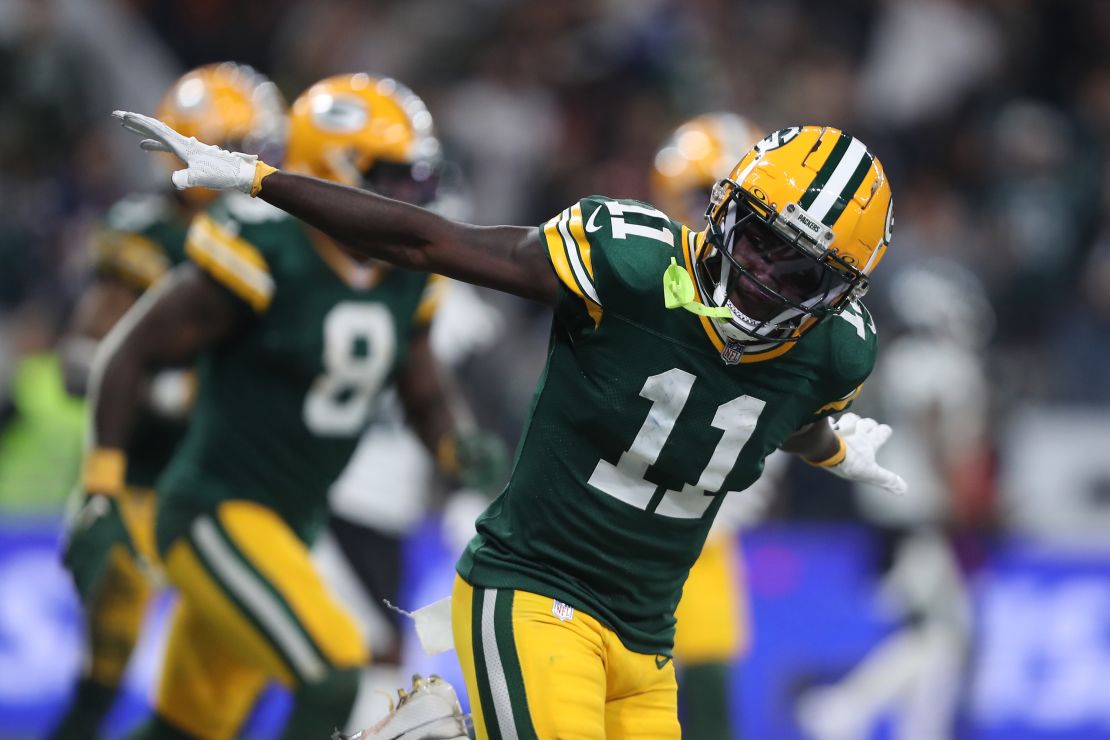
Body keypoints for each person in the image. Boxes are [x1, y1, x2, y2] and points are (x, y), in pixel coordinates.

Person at [114, 111, 906, 739]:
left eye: (797, 269)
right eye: (762, 240)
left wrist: (833, 447)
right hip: (535, 590)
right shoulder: (626, 263)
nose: (764, 274)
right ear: (727, 210)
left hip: (645, 638)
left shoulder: (835, 354)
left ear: (837, 295)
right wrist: (263, 179)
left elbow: (787, 410)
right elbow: (429, 242)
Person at [93, 75, 481, 739]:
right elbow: (129, 354)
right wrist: (102, 483)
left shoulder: (408, 269)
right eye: (395, 178)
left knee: (187, 728)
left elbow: (421, 382)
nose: (413, 199)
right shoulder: (269, 244)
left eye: (419, 179)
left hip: (289, 525)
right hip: (214, 510)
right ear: (336, 170)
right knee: (333, 672)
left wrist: (455, 446)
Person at [51, 62, 287, 739]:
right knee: (103, 679)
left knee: (227, 683)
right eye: (250, 147)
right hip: (145, 484)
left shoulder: (278, 234)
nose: (263, 164)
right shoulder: (148, 233)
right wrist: (184, 389)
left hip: (234, 492)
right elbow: (79, 364)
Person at [651, 111, 765, 739]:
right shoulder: (651, 271)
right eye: (708, 195)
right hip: (629, 518)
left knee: (712, 693)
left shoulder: (785, 294)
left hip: (709, 530)